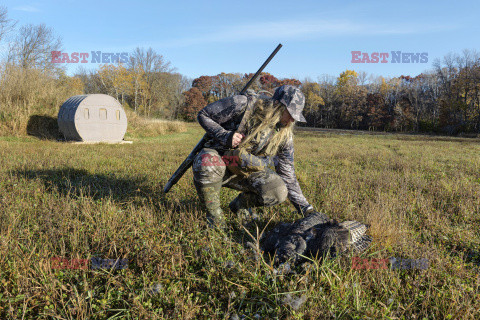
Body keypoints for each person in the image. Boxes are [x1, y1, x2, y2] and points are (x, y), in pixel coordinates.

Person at [192, 85, 314, 228]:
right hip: (223, 160)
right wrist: (225, 135)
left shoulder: (284, 135)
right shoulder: (243, 104)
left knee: (278, 191)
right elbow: (204, 114)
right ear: (278, 105)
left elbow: (288, 174)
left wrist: (306, 208)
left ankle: (239, 206)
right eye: (291, 113)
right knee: (207, 162)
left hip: (246, 169)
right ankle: (215, 219)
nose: (293, 120)